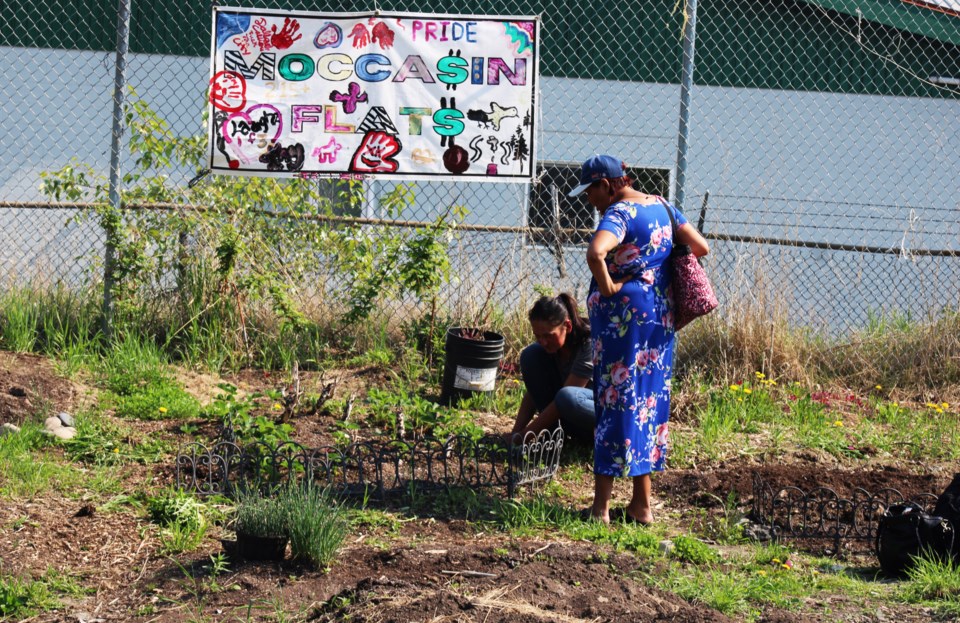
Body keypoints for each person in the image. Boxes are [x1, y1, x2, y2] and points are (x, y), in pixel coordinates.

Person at [572, 154, 709, 524]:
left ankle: (600, 508)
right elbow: (700, 247)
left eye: (591, 191)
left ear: (607, 184)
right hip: (658, 317)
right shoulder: (664, 206)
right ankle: (641, 506)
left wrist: (611, 285)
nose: (590, 200)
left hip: (622, 322)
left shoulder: (618, 214)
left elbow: (596, 252)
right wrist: (653, 268)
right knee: (647, 402)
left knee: (613, 400)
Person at [507, 293, 595, 444]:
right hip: (568, 414)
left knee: (566, 397)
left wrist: (524, 436)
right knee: (531, 354)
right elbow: (533, 392)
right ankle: (555, 435)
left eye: (548, 336)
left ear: (567, 326)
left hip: (596, 420)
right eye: (538, 336)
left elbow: (563, 402)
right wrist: (515, 433)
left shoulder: (589, 344)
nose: (543, 342)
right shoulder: (551, 349)